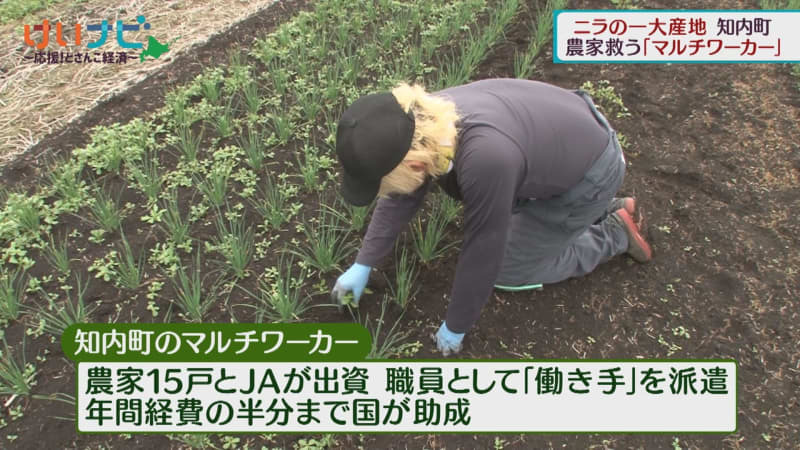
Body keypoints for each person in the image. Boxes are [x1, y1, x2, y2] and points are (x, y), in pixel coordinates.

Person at [330, 78, 652, 356]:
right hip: (569, 136)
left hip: (592, 173)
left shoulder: (486, 161)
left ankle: (614, 233)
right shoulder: (428, 120)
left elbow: (484, 249)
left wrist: (456, 325)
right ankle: (599, 209)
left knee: (509, 269)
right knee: (502, 206)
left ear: (413, 164)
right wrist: (364, 262)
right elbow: (404, 193)